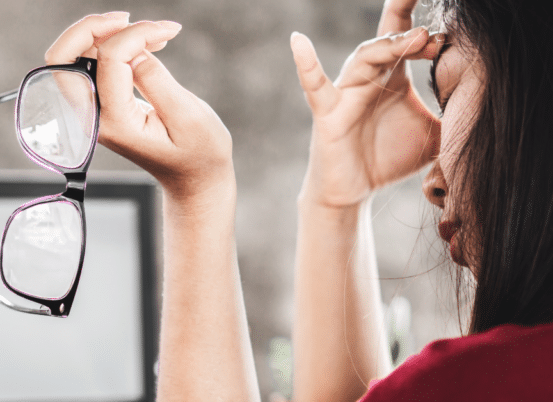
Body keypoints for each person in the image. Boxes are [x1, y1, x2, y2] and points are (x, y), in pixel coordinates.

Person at [41, 0, 553, 399]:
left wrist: (196, 192)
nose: (433, 182)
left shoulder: (480, 381)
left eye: (448, 93)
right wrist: (337, 197)